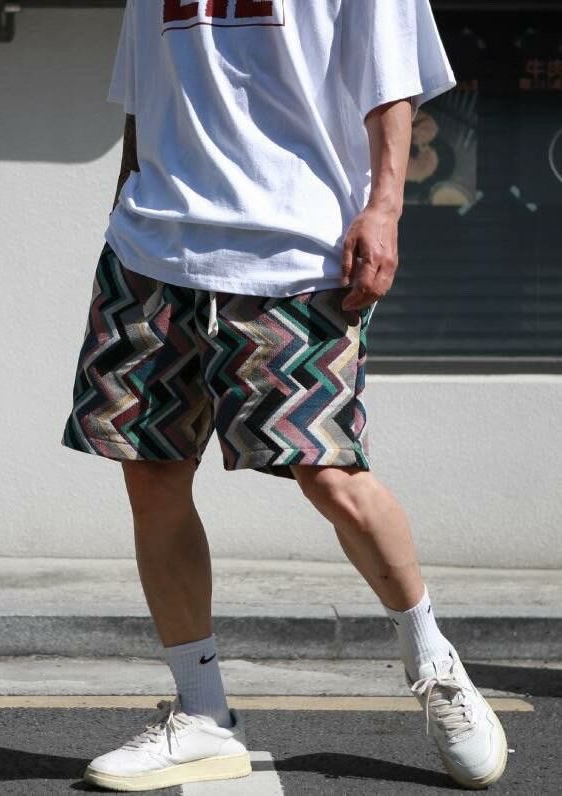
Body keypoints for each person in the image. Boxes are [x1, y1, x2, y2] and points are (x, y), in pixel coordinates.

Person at [61, 0, 507, 791]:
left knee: (329, 474)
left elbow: (391, 81)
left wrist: (384, 208)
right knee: (152, 477)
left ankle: (433, 664)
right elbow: (145, 101)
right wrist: (123, 209)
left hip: (298, 252)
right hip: (151, 252)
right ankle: (203, 716)